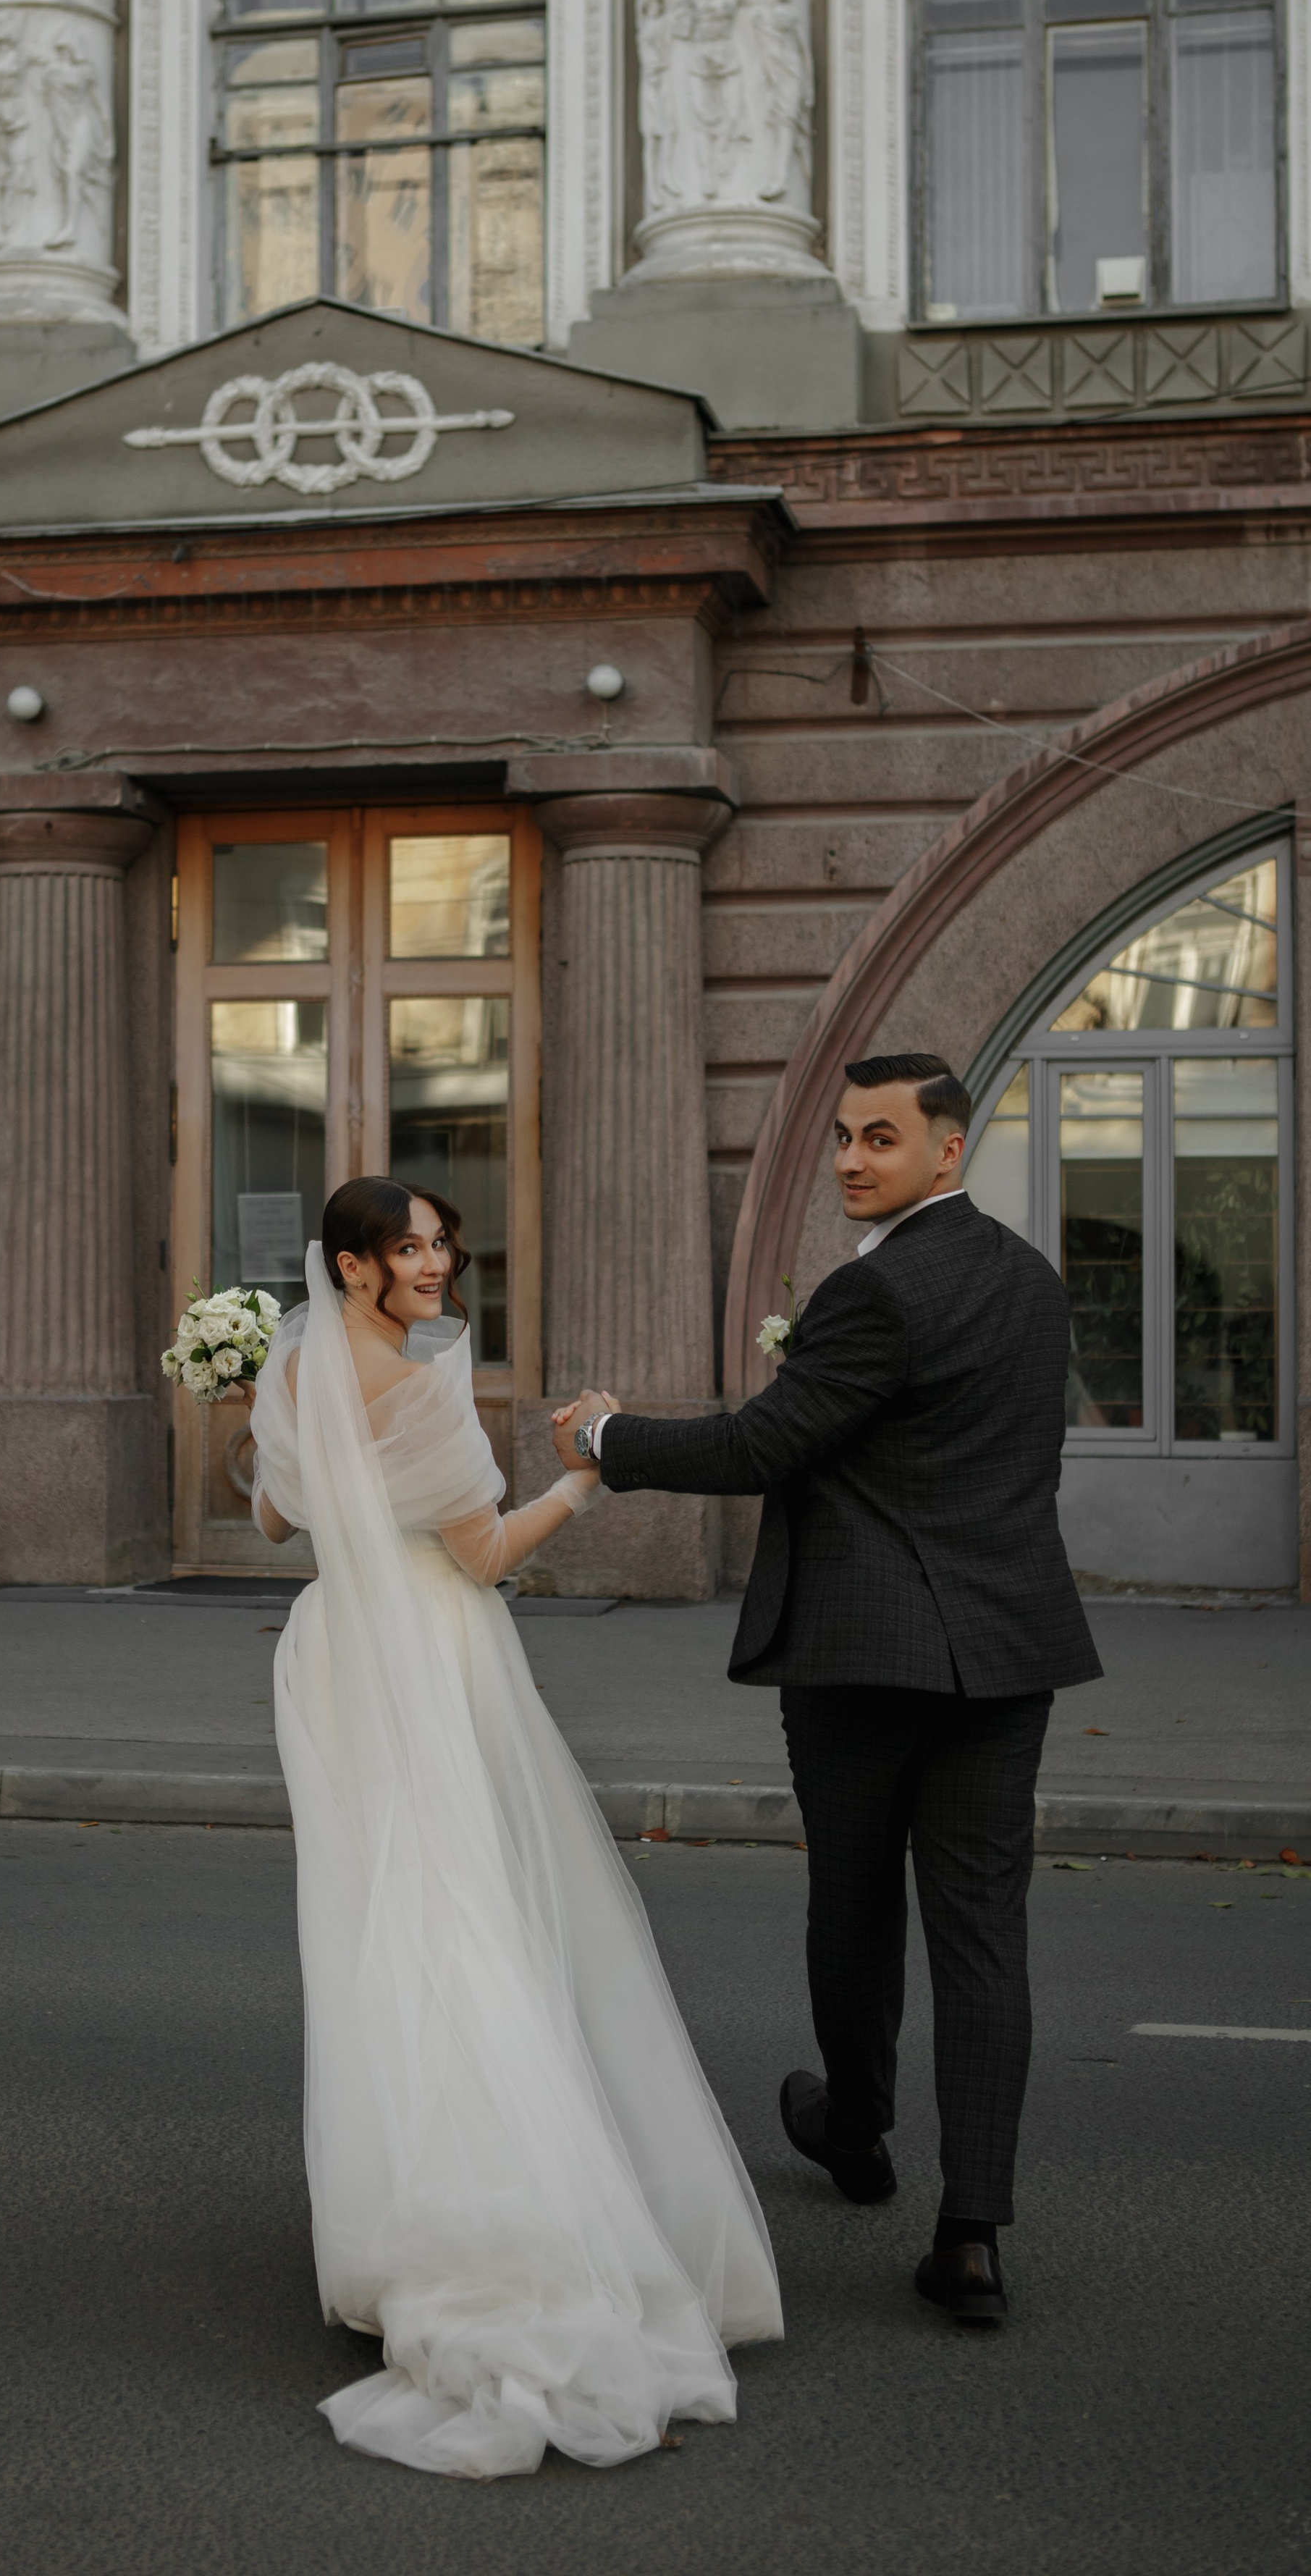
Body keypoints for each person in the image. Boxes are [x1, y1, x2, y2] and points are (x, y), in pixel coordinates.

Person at [552, 1053, 1101, 2329]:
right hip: (1009, 1648)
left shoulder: (880, 1292)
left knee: (853, 1903)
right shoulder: (1030, 1281)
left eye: (884, 1140)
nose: (854, 1159)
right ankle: (972, 2233)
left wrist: (605, 1439)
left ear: (948, 1151)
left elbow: (761, 1445)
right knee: (982, 1934)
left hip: (866, 1652)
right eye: (847, 1137)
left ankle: (854, 2130)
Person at [243, 1177, 780, 2478]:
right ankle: (507, 2208)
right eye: (409, 1248)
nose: (436, 1264)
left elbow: (270, 1519)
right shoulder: (427, 1388)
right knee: (465, 1910)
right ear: (354, 1265)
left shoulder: (301, 1368)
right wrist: (586, 1482)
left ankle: (408, 2210)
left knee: (385, 1914)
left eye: (440, 1243)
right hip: (432, 1650)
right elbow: (485, 1556)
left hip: (335, 1651)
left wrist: (247, 1422)